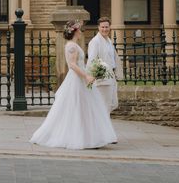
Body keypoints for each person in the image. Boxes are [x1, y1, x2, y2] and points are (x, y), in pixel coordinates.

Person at [30, 20, 117, 149]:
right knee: (77, 107)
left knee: (85, 108)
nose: (81, 32)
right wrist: (86, 76)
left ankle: (88, 136)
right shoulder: (72, 46)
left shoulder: (74, 45)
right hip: (77, 80)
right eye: (80, 30)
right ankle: (78, 137)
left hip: (80, 78)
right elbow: (72, 65)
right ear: (75, 31)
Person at [86, 17, 123, 113]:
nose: (105, 29)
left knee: (111, 104)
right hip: (102, 79)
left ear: (109, 27)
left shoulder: (109, 41)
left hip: (111, 77)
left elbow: (113, 58)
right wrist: (93, 76)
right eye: (102, 27)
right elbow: (92, 60)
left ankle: (103, 126)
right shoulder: (95, 42)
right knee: (104, 106)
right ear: (98, 27)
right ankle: (103, 127)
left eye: (106, 27)